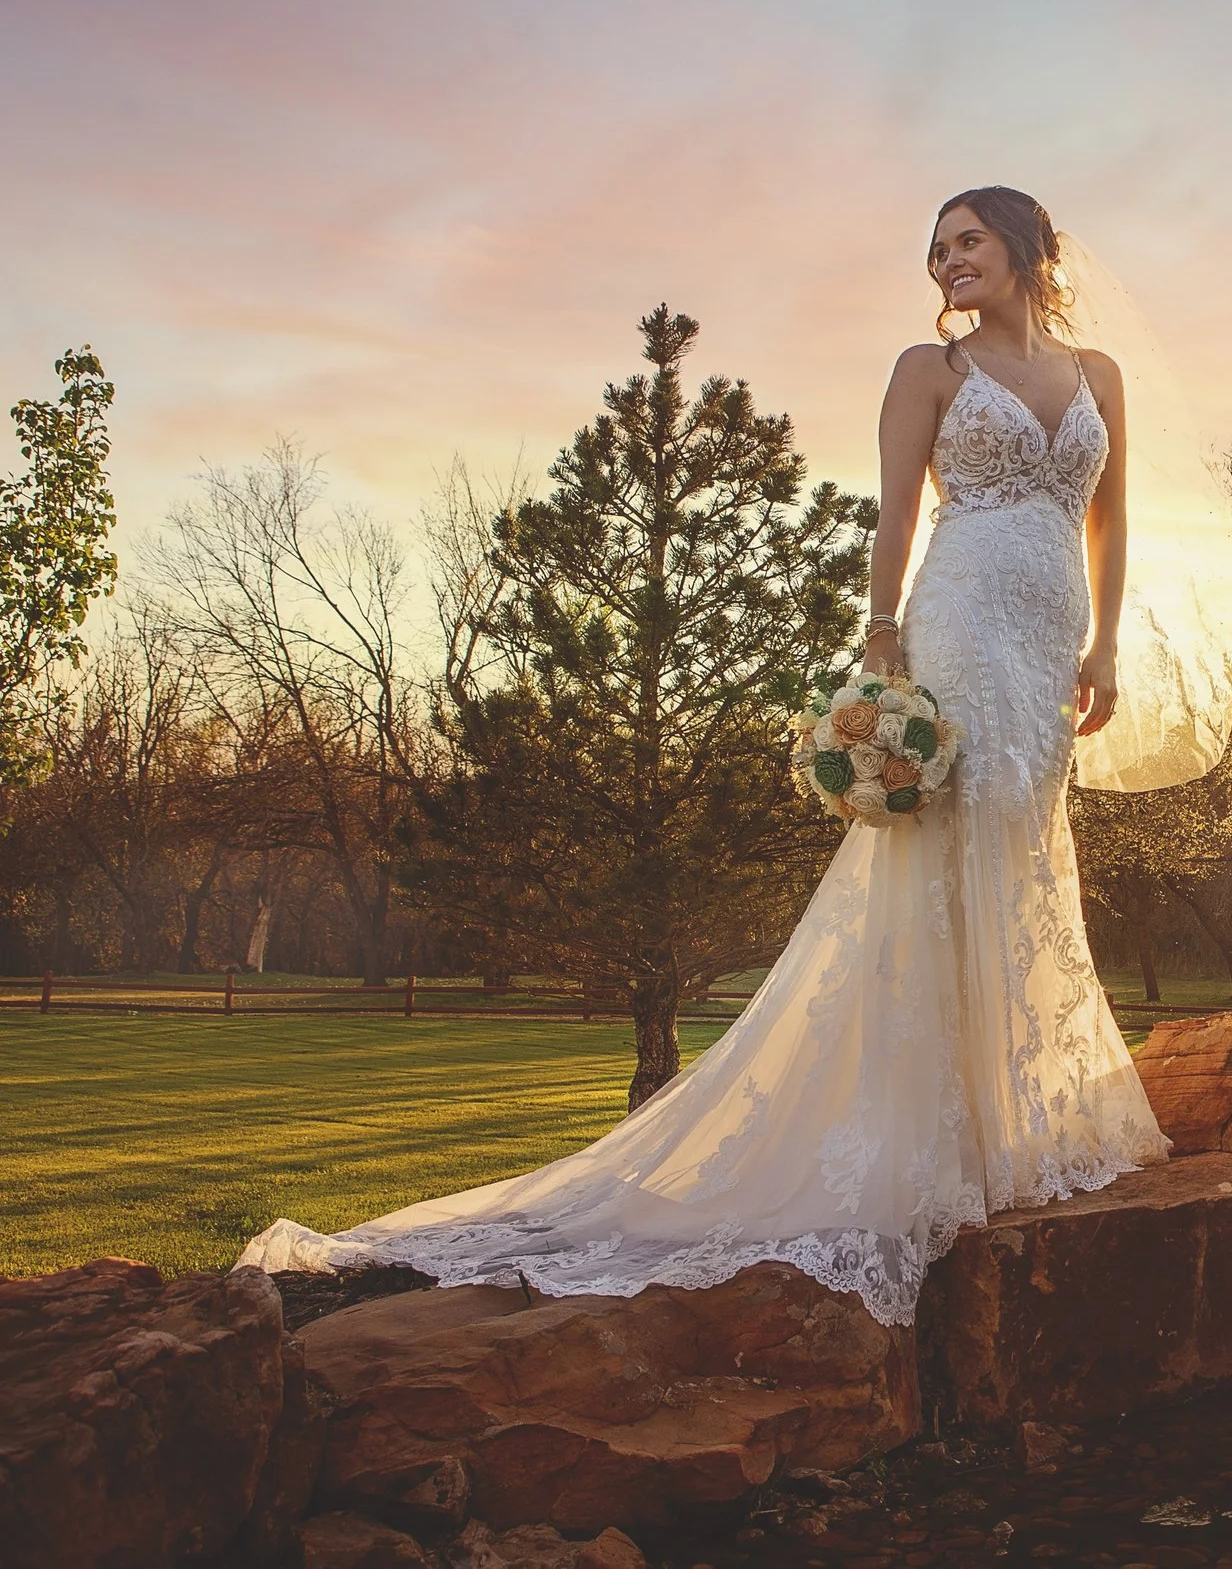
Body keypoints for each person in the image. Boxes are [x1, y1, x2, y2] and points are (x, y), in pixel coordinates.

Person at [239, 187, 1177, 1326]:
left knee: (1026, 847)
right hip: (963, 616)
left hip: (1047, 637)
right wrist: (881, 647)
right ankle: (931, 1143)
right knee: (951, 847)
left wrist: (1109, 644)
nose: (946, 262)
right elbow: (894, 516)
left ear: (1027, 248)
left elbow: (1111, 520)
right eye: (935, 250)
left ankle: (1012, 1120)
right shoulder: (926, 371)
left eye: (967, 240)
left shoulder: (1099, 376)